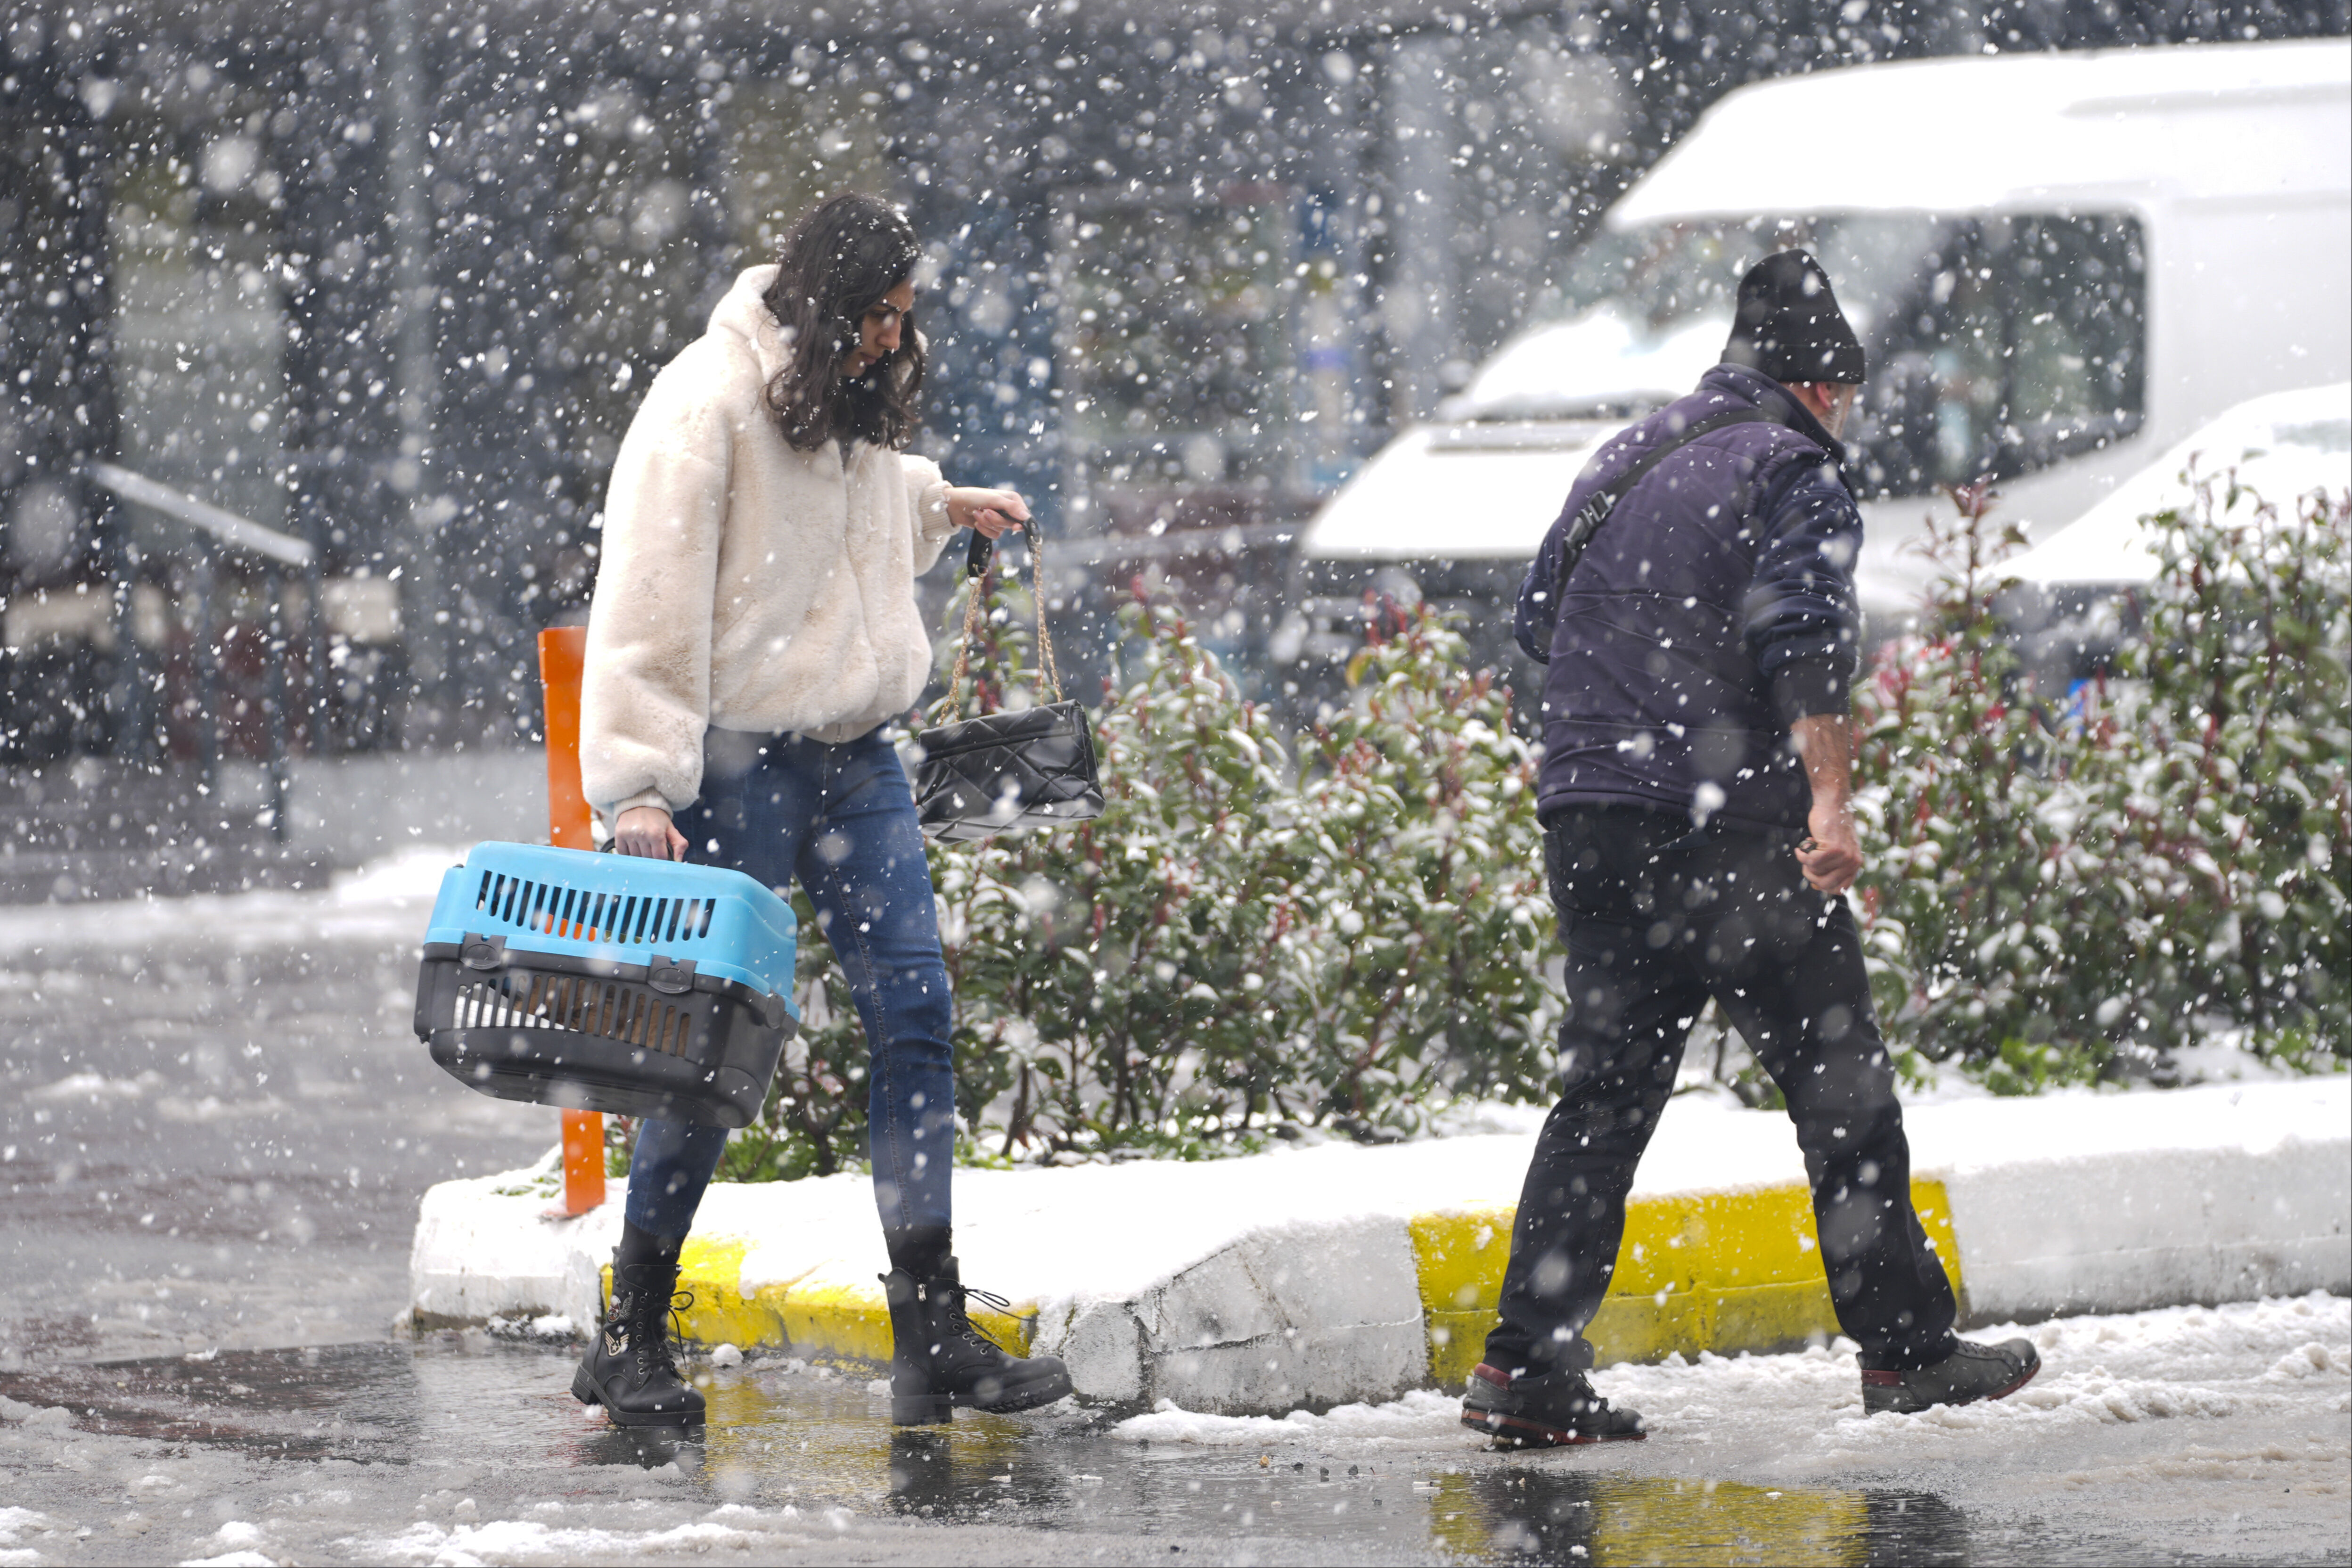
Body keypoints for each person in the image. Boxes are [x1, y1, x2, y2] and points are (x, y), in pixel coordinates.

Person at [1466, 249, 2040, 1448]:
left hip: (1590, 813)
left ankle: (1526, 1366)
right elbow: (1804, 634)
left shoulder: (1626, 456)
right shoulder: (1797, 469)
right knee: (1842, 1087)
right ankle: (1906, 1348)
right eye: (1852, 398)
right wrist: (1828, 800)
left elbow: (1534, 619)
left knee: (1606, 1097)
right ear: (1825, 389)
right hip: (1726, 830)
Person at [571, 192, 1073, 1429]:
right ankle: (628, 1334)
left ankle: (933, 1330)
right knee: (706, 1049)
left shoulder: (840, 401)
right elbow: (646, 597)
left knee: (917, 1018)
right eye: (880, 319)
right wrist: (639, 788)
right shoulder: (705, 405)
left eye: (907, 319)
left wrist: (941, 502)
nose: (896, 342)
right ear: (824, 304)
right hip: (739, 771)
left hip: (859, 759)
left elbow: (844, 524)